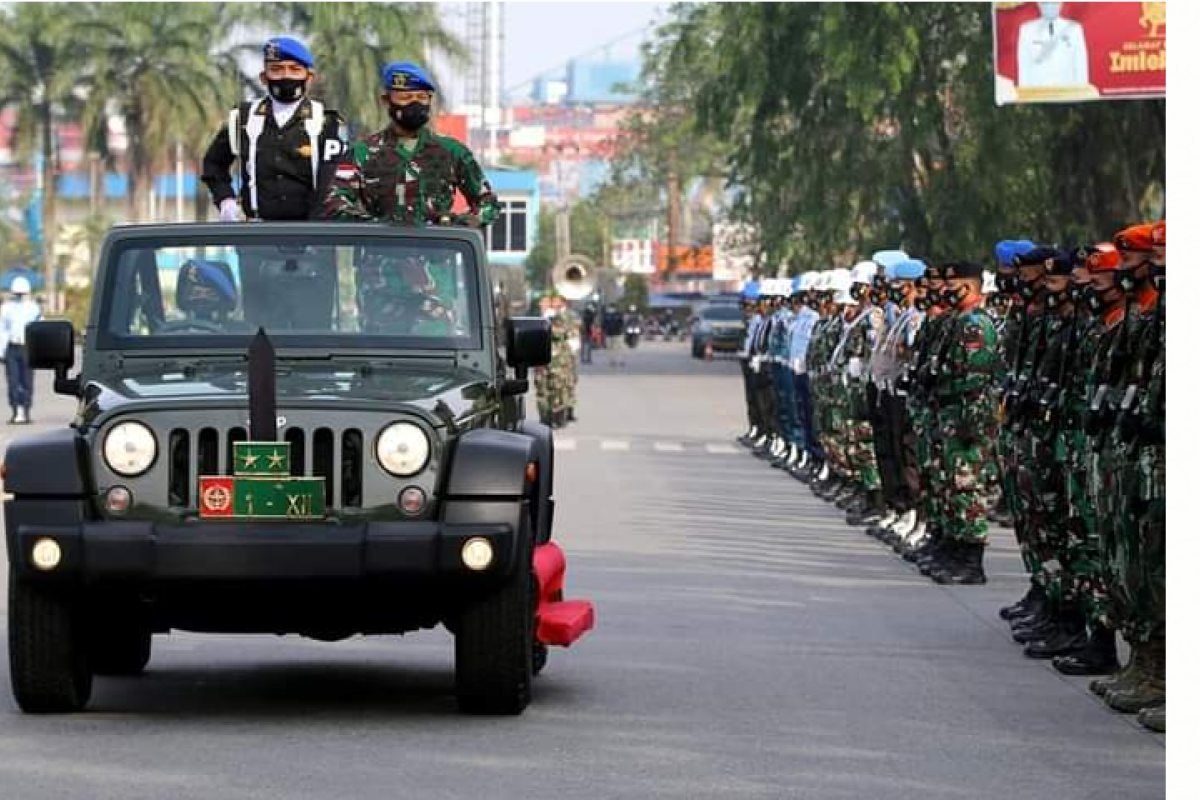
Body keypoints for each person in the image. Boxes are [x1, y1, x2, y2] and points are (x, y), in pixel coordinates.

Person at [323, 61, 499, 227]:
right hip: (378, 253)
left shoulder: (452, 152)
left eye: (422, 97)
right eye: (405, 97)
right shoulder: (362, 153)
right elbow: (335, 202)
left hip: (437, 254)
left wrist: (457, 224)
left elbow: (488, 203)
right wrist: (375, 226)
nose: (415, 104)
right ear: (386, 101)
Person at [202, 36, 346, 222]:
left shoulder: (326, 123)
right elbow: (213, 164)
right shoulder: (243, 118)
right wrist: (226, 201)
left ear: (309, 78)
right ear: (264, 77)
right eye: (277, 70)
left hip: (313, 236)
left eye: (295, 70)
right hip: (256, 237)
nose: (286, 76)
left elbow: (336, 181)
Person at [1017, 2, 1089, 88]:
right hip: (1037, 92)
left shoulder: (1074, 29)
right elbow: (1024, 66)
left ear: (1061, 3)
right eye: (1046, 3)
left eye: (1054, 2)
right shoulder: (1027, 29)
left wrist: (1082, 94)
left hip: (1068, 92)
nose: (1050, 6)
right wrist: (1024, 95)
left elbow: (1080, 64)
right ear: (1038, 4)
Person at [0, 276, 42, 424]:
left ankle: (26, 411)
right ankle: (15, 411)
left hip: (28, 348)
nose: (19, 296)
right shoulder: (6, 307)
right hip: (12, 348)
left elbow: (39, 329)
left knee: (27, 381)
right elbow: (2, 330)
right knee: (13, 381)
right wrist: (1, 351)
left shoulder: (33, 307)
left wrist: (39, 350)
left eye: (22, 293)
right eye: (17, 293)